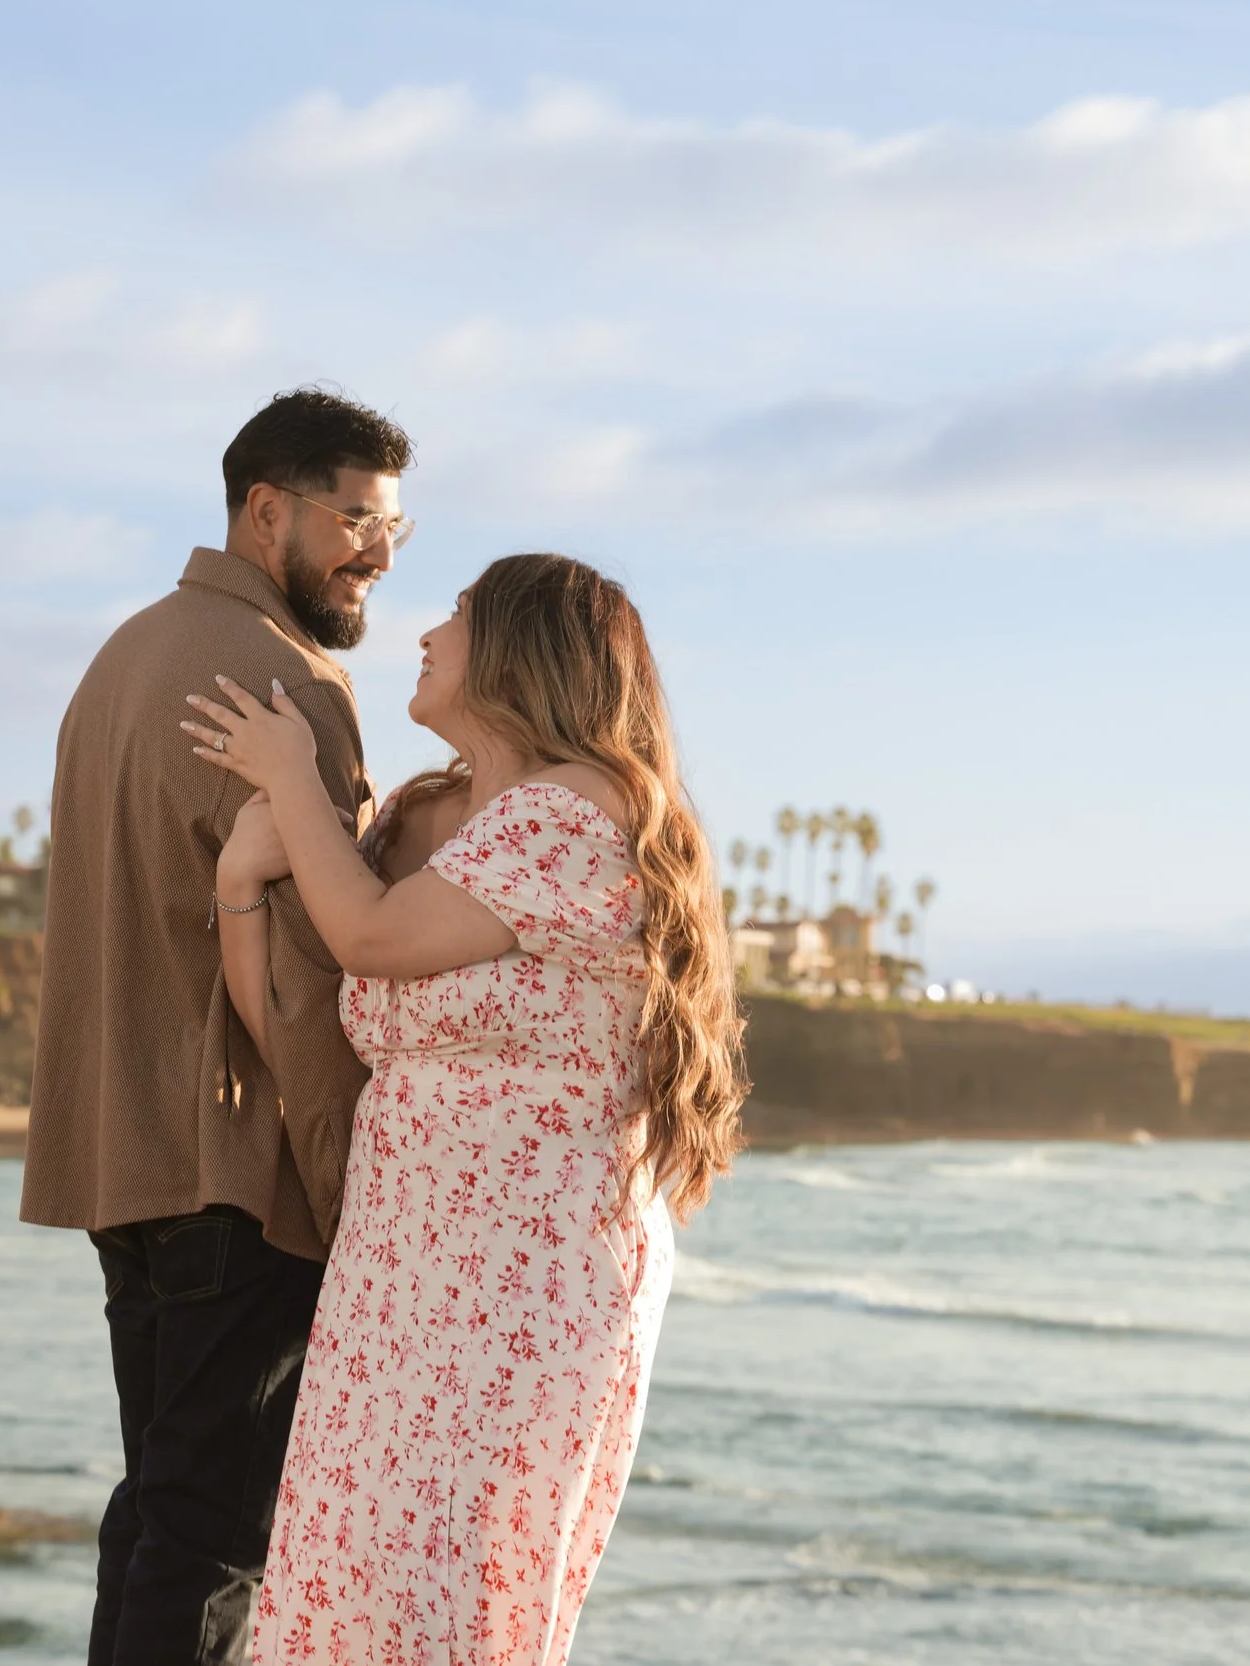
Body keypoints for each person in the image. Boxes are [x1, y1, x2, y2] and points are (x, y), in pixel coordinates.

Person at [180, 552, 749, 1665]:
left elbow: (371, 940)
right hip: (399, 1271)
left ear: (521, 654)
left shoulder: (584, 806)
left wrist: (292, 777)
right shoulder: (441, 820)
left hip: (523, 1281)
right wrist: (241, 884)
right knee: (350, 1582)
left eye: (458, 613)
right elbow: (305, 1029)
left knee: (449, 1595)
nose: (428, 630)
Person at [21, 387, 416, 1665]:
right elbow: (308, 973)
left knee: (157, 1508)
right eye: (355, 518)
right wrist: (351, 1175)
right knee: (216, 1533)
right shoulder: (284, 684)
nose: (378, 553)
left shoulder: (127, 652)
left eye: (394, 528)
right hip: (236, 1161)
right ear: (267, 510)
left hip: (121, 1155)